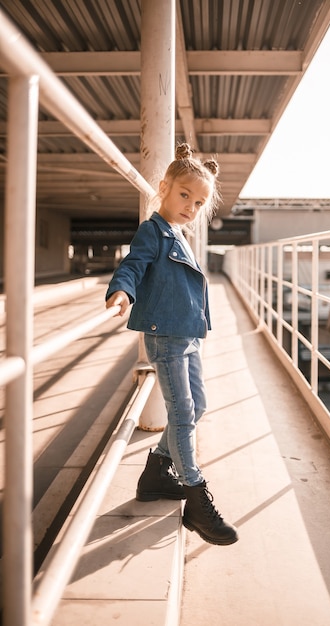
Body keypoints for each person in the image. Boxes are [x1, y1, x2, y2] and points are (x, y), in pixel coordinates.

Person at [105, 143, 238, 546]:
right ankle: (197, 500)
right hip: (166, 336)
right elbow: (134, 264)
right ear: (163, 187)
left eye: (199, 202)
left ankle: (156, 474)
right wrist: (122, 291)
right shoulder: (154, 231)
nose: (190, 207)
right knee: (181, 411)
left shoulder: (178, 235)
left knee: (199, 405)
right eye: (185, 195)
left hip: (188, 336)